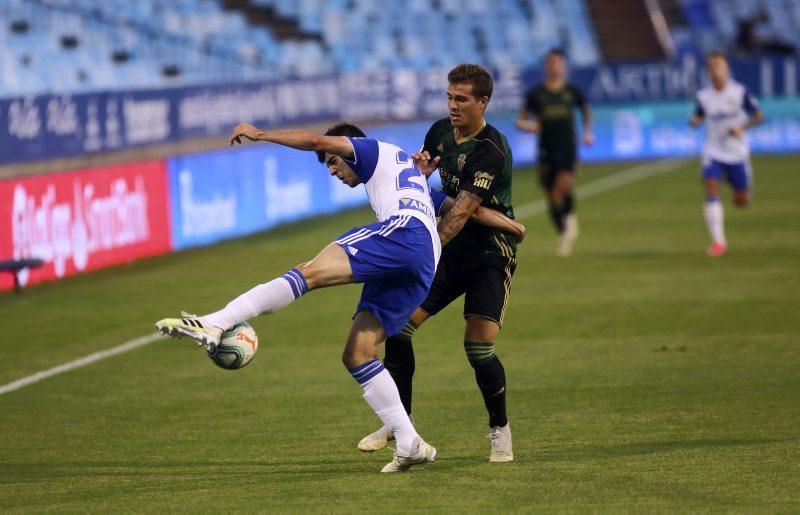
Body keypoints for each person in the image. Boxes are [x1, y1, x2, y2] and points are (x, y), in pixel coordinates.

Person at [155, 122, 525, 473]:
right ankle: (409, 442)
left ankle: (215, 322)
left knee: (308, 272)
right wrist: (513, 225)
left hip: (404, 234)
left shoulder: (371, 149)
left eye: (333, 162)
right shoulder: (408, 173)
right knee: (358, 353)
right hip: (424, 259)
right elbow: (459, 205)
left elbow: (317, 140)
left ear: (350, 150)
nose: (332, 170)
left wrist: (260, 133)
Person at [358, 64, 519, 463]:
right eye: (449, 97)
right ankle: (400, 426)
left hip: (489, 254)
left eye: (462, 99)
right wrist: (421, 172)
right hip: (447, 252)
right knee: (398, 329)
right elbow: (421, 179)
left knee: (477, 348)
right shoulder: (439, 133)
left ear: (483, 102)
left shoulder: (491, 151)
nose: (452, 106)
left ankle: (500, 430)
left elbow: (462, 211)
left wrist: (426, 249)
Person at [516, 48, 593, 256]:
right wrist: (530, 126)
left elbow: (585, 111)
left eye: (558, 62)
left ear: (563, 66)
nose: (555, 66)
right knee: (550, 193)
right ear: (545, 66)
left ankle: (568, 226)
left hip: (567, 147)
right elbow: (520, 120)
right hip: (545, 149)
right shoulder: (536, 94)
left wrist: (588, 133)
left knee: (561, 186)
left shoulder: (572, 92)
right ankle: (565, 226)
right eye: (551, 62)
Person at [690, 51, 764, 256]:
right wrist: (694, 122)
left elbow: (759, 116)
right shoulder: (703, 96)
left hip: (737, 152)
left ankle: (738, 189)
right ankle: (718, 242)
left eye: (719, 65)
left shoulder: (740, 92)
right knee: (711, 189)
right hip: (713, 151)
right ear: (708, 70)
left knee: (741, 201)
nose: (716, 69)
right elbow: (698, 116)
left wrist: (742, 128)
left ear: (727, 68)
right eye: (712, 65)